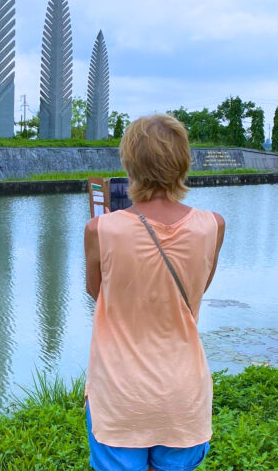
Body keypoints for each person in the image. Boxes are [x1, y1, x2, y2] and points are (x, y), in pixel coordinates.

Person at [84, 114, 226, 471]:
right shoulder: (213, 225)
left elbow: (97, 292)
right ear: (183, 163)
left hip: (119, 394)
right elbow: (197, 290)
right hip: (183, 393)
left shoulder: (100, 229)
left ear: (129, 162)